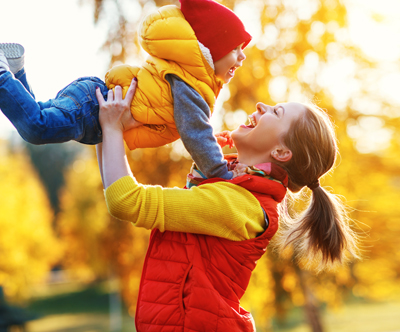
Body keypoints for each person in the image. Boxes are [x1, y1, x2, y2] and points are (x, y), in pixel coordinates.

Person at [95, 80, 359, 331]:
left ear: (280, 152)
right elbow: (118, 195)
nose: (261, 106)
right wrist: (101, 131)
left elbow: (126, 201)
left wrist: (112, 129)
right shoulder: (234, 191)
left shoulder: (240, 205)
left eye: (276, 112)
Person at [0, 0, 251, 180]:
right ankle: (2, 74)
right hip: (93, 106)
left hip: (92, 100)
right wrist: (220, 172)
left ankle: (15, 70)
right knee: (37, 127)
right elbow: (195, 132)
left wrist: (219, 139)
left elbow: (194, 125)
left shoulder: (189, 77)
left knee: (38, 112)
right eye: (235, 49)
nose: (242, 58)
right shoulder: (189, 85)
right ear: (212, 49)